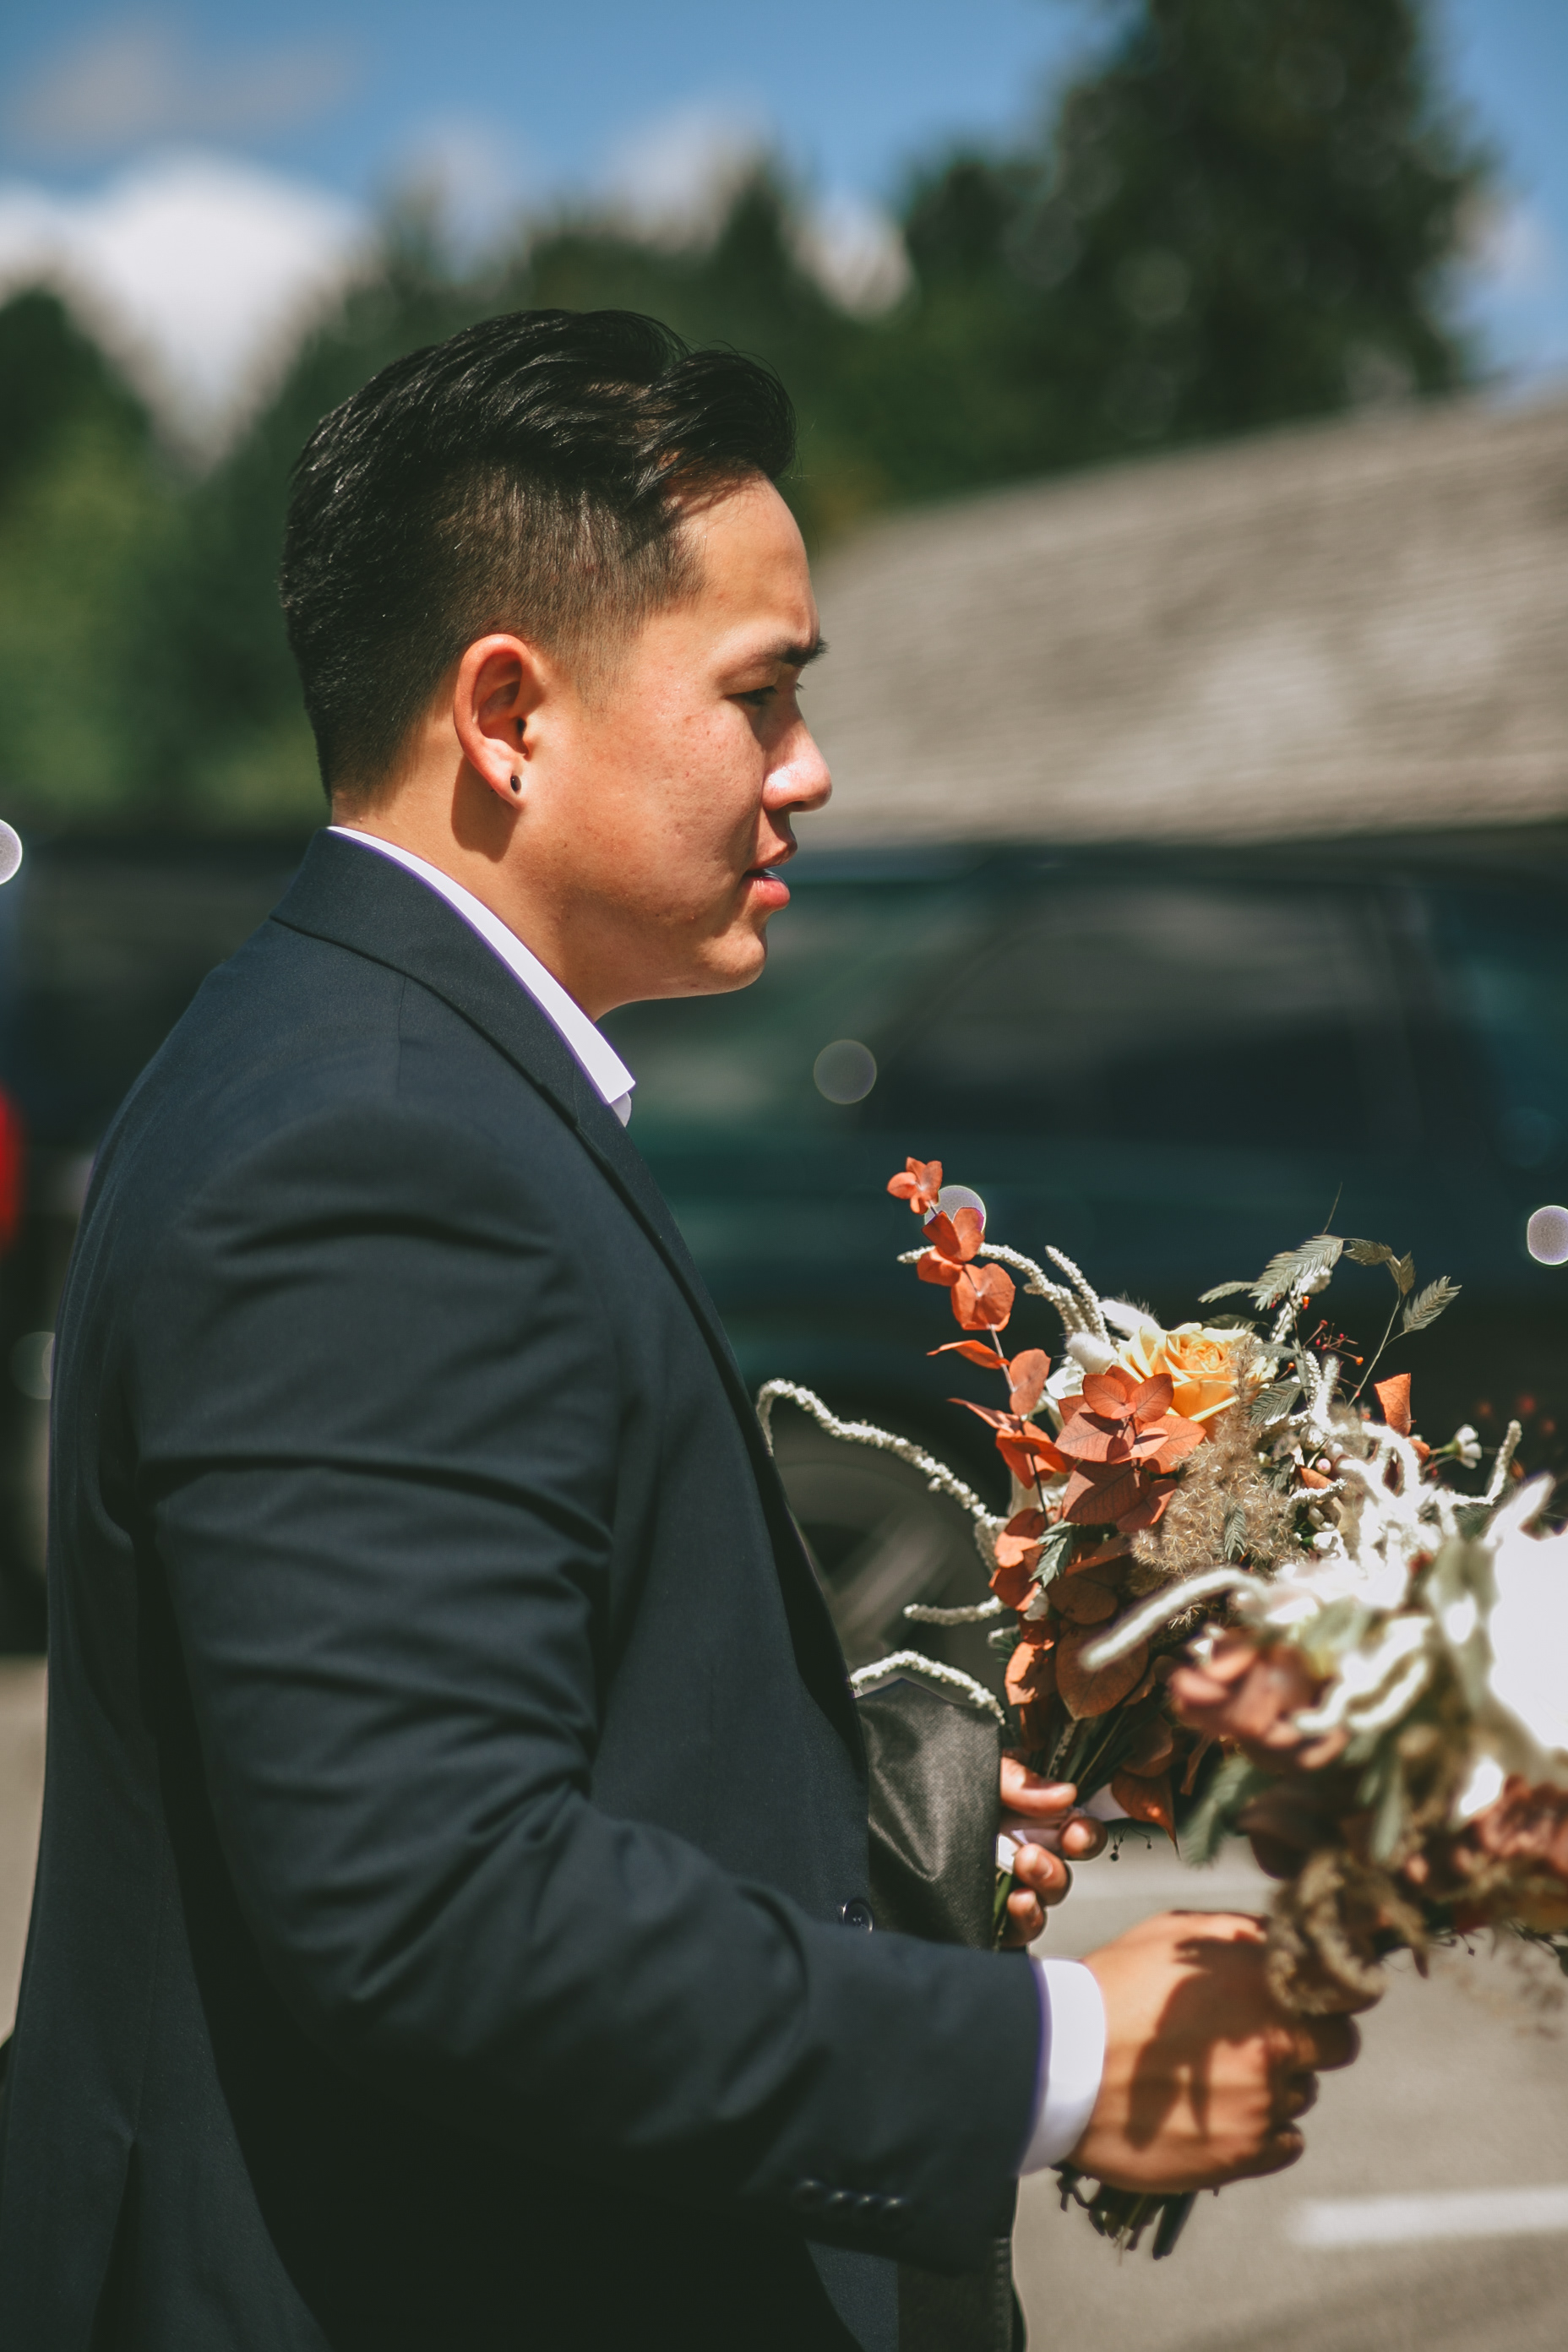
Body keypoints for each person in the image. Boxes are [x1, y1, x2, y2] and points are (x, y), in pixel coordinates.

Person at [0, 311, 1358, 2352]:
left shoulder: (362, 1059)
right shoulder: (377, 1149)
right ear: (507, 714)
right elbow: (434, 1904)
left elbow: (482, 1726)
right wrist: (1066, 2058)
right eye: (758, 693)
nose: (809, 767)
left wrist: (909, 1795)